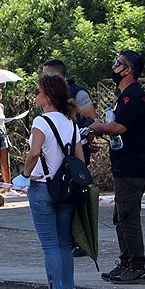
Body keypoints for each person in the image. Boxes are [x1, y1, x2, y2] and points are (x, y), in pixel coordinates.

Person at [13, 75, 92, 289]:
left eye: (38, 91)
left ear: (48, 96)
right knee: (63, 245)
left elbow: (34, 153)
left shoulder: (41, 122)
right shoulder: (71, 123)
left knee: (49, 247)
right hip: (66, 191)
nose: (35, 95)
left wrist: (25, 175)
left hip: (42, 188)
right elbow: (79, 160)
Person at [88, 50, 145, 284]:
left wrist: (98, 126)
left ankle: (137, 267)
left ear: (128, 70)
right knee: (121, 217)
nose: (114, 67)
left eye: (118, 63)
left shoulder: (132, 95)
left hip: (131, 168)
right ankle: (125, 263)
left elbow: (119, 128)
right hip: (124, 165)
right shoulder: (126, 96)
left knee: (128, 217)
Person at [42, 59, 100, 257]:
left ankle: (81, 241)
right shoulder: (49, 99)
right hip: (55, 156)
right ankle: (66, 239)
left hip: (75, 156)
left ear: (58, 76)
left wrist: (87, 139)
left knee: (74, 195)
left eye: (46, 76)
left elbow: (92, 118)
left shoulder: (78, 93)